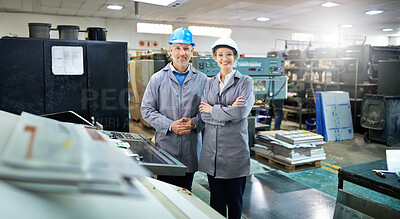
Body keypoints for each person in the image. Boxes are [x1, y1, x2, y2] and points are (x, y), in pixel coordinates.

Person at [141, 27, 207, 191]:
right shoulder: (157, 78)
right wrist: (170, 125)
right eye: (177, 48)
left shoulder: (203, 80)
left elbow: (207, 111)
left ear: (192, 50)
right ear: (171, 49)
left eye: (186, 48)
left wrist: (194, 123)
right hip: (166, 148)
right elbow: (147, 109)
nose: (181, 53)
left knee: (186, 191)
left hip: (190, 148)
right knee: (166, 192)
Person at [199, 37, 255, 219]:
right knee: (215, 204)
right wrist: (229, 110)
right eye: (220, 54)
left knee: (235, 204)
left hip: (234, 154)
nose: (225, 58)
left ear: (235, 57)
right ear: (215, 58)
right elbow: (203, 115)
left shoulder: (245, 82)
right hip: (212, 154)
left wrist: (213, 109)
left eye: (229, 54)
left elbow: (241, 113)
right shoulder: (209, 83)